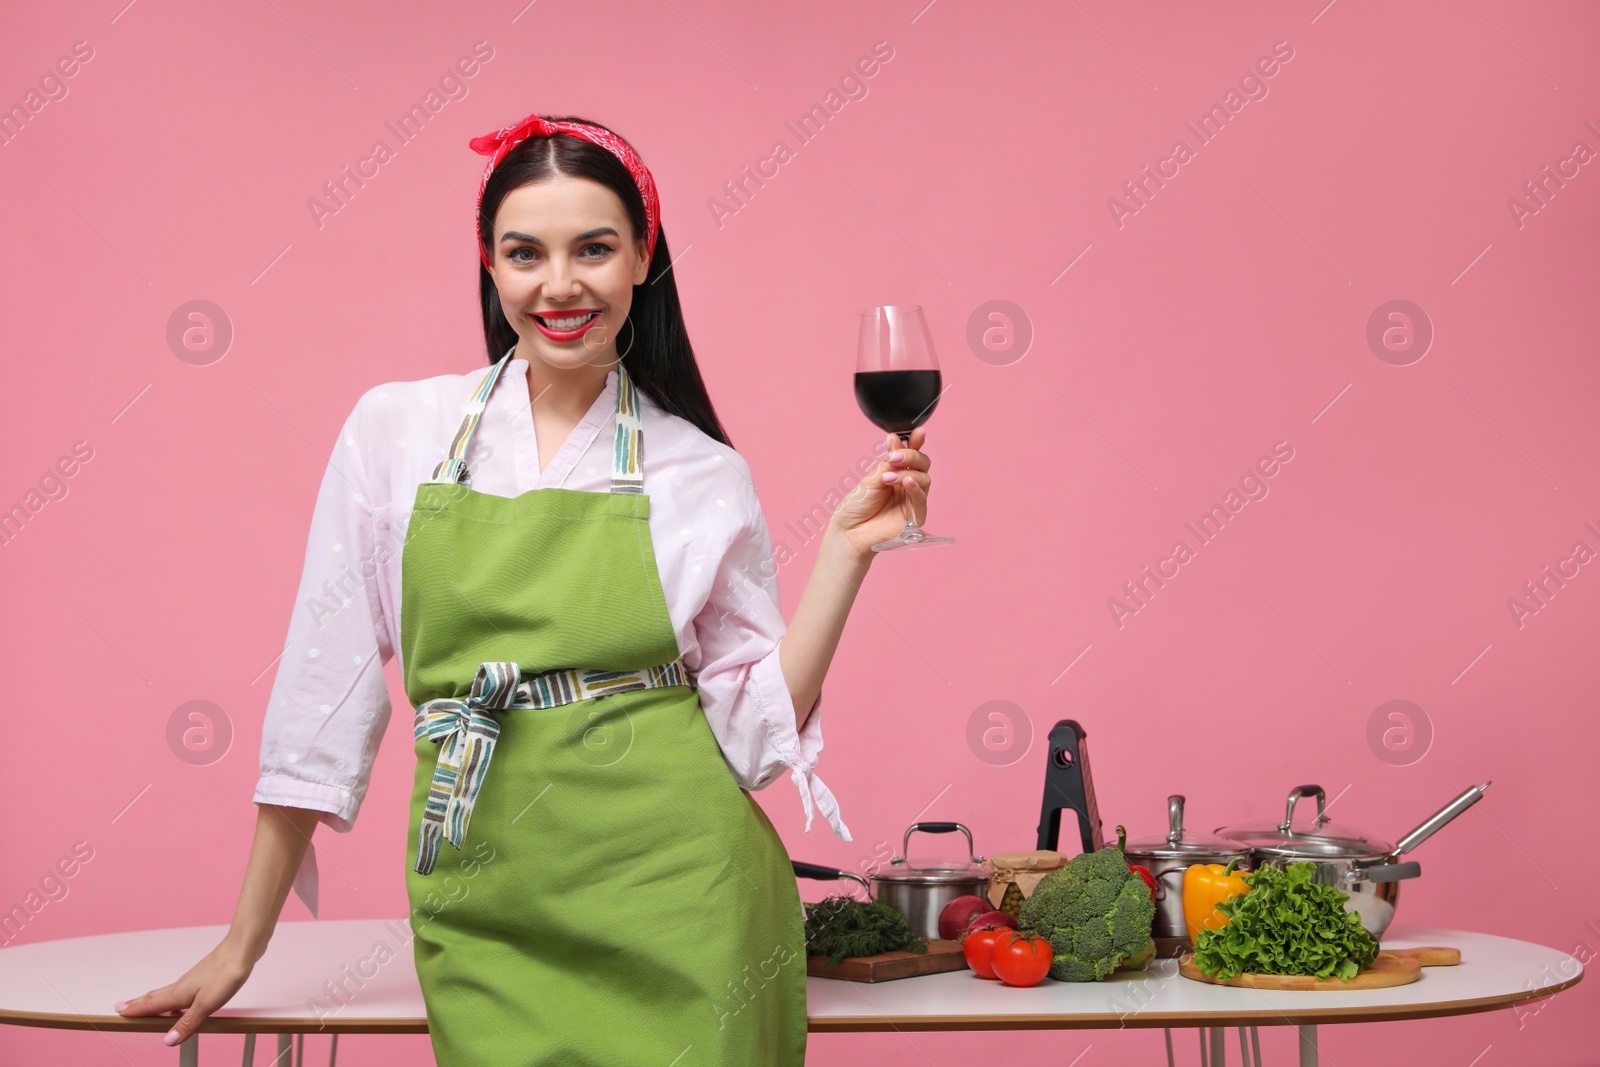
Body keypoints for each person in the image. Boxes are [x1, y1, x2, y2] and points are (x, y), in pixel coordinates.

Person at [114, 112, 936, 1064]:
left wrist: (845, 554)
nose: (559, 285)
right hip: (483, 900)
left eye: (593, 248)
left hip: (686, 903)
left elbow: (750, 739)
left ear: (640, 257)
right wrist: (243, 941)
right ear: (490, 265)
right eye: (524, 253)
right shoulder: (395, 433)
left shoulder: (700, 471)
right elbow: (322, 693)